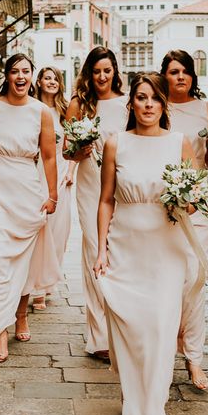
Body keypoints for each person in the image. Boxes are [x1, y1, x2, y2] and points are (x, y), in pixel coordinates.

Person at [94, 72, 197, 415]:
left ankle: (149, 414)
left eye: (155, 98)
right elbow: (106, 199)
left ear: (163, 105)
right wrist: (100, 248)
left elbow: (191, 200)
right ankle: (133, 398)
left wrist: (189, 197)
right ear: (131, 104)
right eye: (141, 97)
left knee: (158, 329)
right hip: (125, 246)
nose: (148, 104)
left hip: (166, 250)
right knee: (129, 328)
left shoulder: (179, 143)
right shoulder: (115, 143)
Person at [0, 53, 60, 363]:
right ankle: (0, 332)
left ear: (31, 76)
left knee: (23, 261)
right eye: (15, 71)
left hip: (27, 193)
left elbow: (48, 156)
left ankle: (21, 314)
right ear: (7, 76)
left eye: (26, 71)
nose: (20, 76)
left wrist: (52, 195)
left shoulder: (42, 112)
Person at [161, 50, 208, 391]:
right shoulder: (156, 107)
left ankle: (194, 358)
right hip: (166, 206)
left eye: (185, 71)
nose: (180, 77)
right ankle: (167, 350)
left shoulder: (206, 109)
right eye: (173, 72)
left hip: (199, 204)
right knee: (171, 281)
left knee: (195, 281)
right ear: (164, 76)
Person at [64, 47, 128, 361]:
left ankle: (122, 330)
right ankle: (99, 336)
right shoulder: (79, 104)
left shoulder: (127, 103)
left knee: (120, 255)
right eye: (96, 71)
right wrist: (80, 151)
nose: (102, 77)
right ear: (88, 73)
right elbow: (67, 152)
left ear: (115, 71)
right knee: (94, 252)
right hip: (90, 185)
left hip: (122, 186)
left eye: (107, 70)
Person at [30, 66, 77, 311]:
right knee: (39, 231)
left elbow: (73, 146)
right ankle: (36, 288)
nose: (51, 82)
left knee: (59, 233)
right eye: (47, 78)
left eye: (55, 79)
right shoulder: (31, 108)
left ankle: (48, 282)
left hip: (60, 174)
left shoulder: (65, 111)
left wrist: (70, 172)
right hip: (35, 175)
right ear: (38, 81)